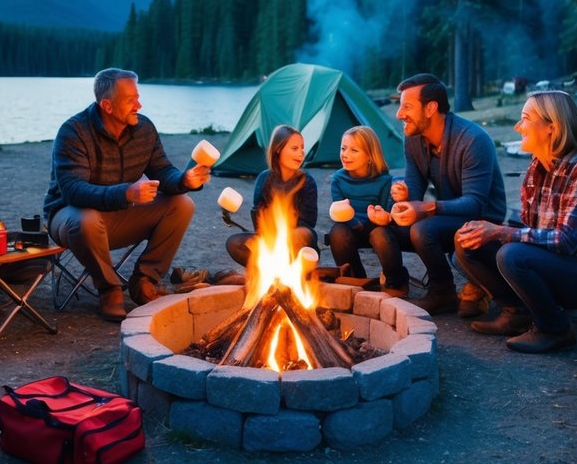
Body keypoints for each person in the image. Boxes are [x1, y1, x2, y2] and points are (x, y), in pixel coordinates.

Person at [454, 90, 577, 354]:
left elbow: (566, 241)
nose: (517, 126)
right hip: (554, 261)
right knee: (467, 246)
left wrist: (502, 232)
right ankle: (517, 313)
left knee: (513, 254)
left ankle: (554, 329)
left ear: (551, 128)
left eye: (525, 118)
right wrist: (486, 231)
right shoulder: (538, 167)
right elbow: (531, 228)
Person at [44, 68, 211, 322]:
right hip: (69, 218)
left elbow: (162, 171)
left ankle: (144, 280)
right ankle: (109, 289)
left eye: (138, 96)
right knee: (86, 219)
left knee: (181, 204)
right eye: (130, 100)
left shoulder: (143, 128)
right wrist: (126, 193)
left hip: (119, 216)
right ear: (107, 105)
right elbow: (73, 191)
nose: (139, 105)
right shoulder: (74, 132)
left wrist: (184, 179)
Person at [386, 73, 507, 314]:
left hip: (483, 217)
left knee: (423, 230)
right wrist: (403, 195)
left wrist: (428, 208)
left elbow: (475, 204)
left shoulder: (472, 140)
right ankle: (394, 282)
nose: (399, 114)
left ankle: (443, 291)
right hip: (449, 212)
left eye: (407, 107)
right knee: (388, 226)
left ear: (430, 108)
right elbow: (415, 187)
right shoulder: (413, 138)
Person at [226, 125, 318, 267]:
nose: (301, 153)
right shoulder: (264, 179)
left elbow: (308, 222)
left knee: (299, 235)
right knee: (234, 243)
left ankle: (278, 270)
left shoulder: (307, 181)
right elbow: (258, 217)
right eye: (295, 148)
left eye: (302, 147)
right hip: (270, 238)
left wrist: (283, 232)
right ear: (278, 149)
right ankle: (274, 273)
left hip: (296, 241)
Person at [326, 125, 398, 283]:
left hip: (375, 225)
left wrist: (380, 217)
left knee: (381, 235)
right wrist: (355, 223)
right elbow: (339, 210)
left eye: (354, 150)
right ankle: (355, 278)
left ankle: (395, 279)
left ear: (370, 155)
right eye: (343, 148)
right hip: (349, 225)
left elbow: (385, 211)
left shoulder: (384, 180)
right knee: (337, 233)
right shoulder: (338, 179)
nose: (345, 155)